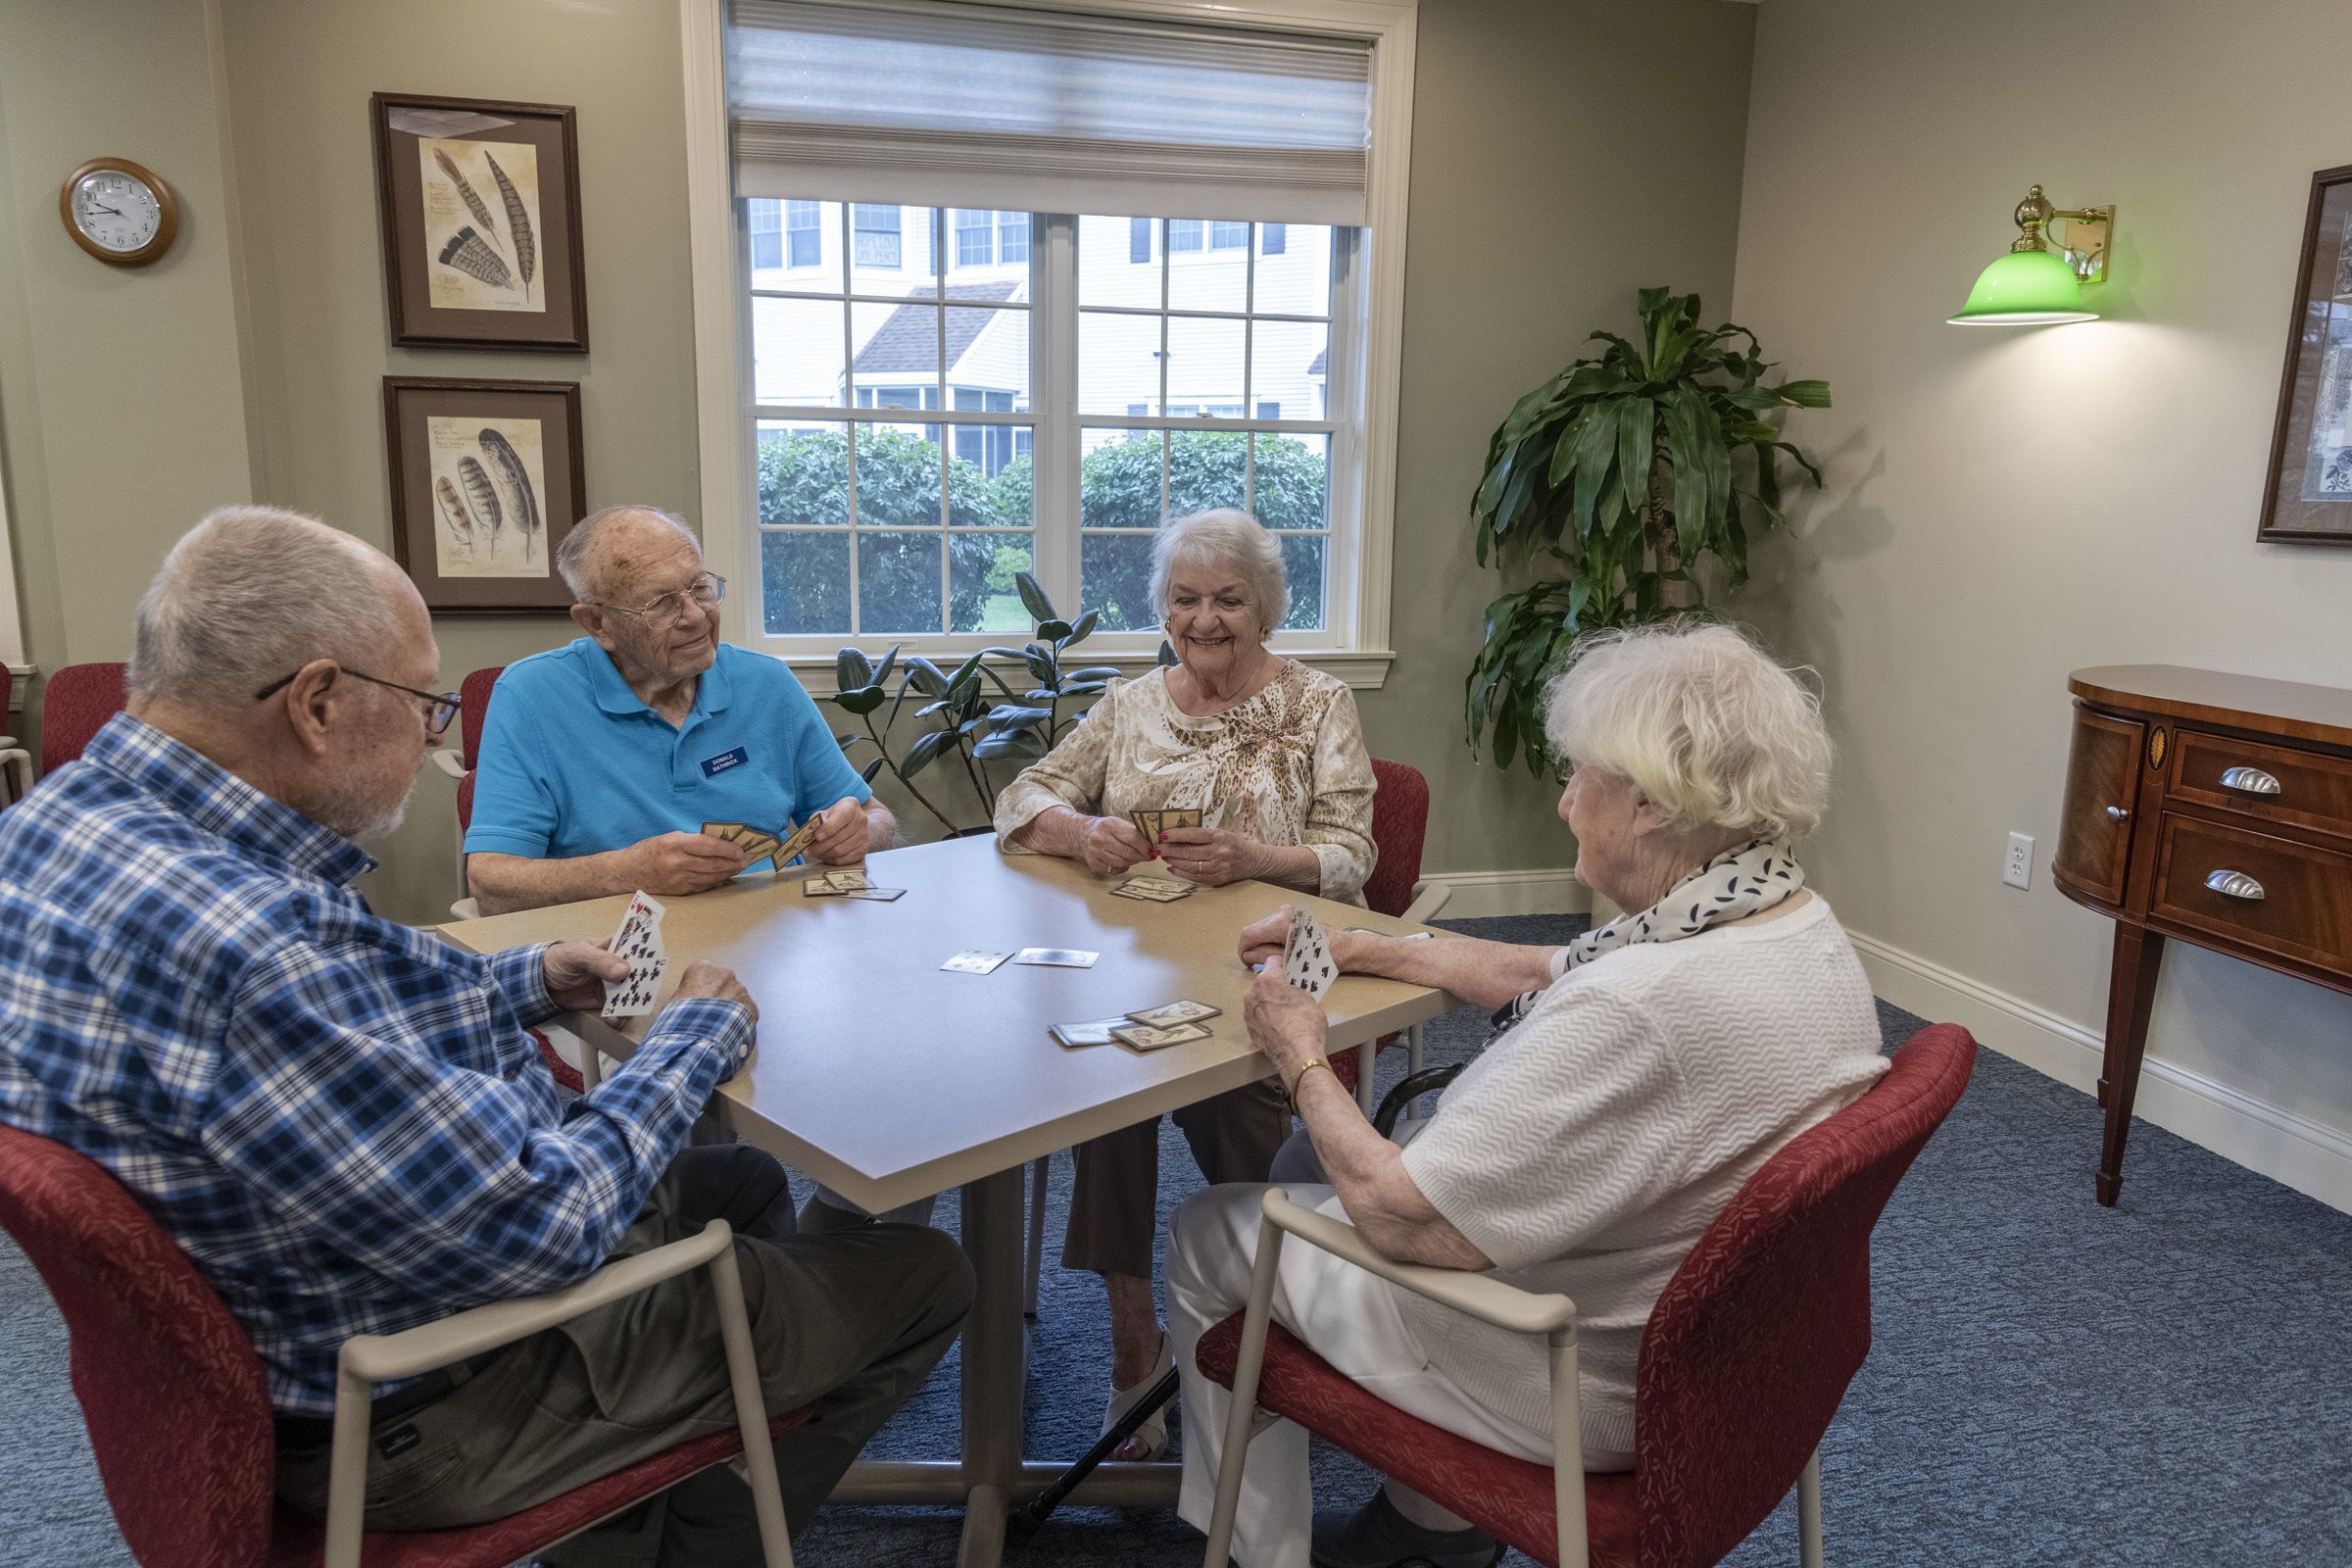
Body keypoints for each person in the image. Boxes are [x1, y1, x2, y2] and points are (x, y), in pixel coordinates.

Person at [0, 508, 972, 1568]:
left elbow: (346, 983)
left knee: (735, 1184)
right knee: (922, 1272)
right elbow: (541, 1225)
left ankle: (679, 1468)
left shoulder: (56, 826)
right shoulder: (250, 945)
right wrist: (691, 1038)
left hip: (297, 1296)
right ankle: (690, 1535)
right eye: (422, 705)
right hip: (430, 1392)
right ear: (320, 702)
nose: (433, 738)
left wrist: (526, 975)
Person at [1165, 620, 1890, 1568]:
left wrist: (1301, 1053)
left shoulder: (1643, 1010)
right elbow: (1561, 966)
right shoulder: (1778, 918)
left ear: (1656, 806)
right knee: (1310, 1165)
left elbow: (1401, 1221)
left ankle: (1263, 1552)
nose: (1563, 803)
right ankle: (1426, 1529)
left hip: (1565, 1370)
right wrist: (1380, 946)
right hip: (1724, 1356)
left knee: (1212, 1230)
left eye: (1582, 777)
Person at [993, 506, 1377, 1460]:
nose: (1205, 619)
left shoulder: (1319, 705)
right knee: (1109, 1099)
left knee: (1245, 1106)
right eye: (1186, 598)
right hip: (1132, 965)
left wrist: (1260, 855)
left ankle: (1265, 1324)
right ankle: (1136, 1346)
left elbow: (1354, 853)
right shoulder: (1130, 705)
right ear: (1164, 607)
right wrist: (1083, 834)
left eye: (1229, 599)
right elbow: (1020, 796)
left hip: (1269, 964)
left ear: (1267, 608)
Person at [464, 504, 892, 916]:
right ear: (597, 624)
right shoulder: (530, 695)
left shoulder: (767, 682)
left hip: (777, 936)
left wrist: (858, 834)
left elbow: (877, 816)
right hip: (616, 950)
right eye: (661, 603)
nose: (696, 616)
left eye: (700, 588)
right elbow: (491, 885)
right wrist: (624, 872)